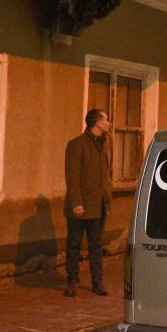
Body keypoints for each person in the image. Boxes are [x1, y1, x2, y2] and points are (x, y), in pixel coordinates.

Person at [64, 108, 112, 297]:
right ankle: (72, 280)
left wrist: (107, 199)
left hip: (99, 206)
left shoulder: (105, 143)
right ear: (97, 123)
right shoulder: (77, 144)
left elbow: (105, 174)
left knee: (96, 246)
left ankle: (97, 281)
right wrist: (76, 202)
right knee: (74, 245)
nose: (109, 124)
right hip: (80, 206)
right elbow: (72, 175)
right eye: (106, 120)